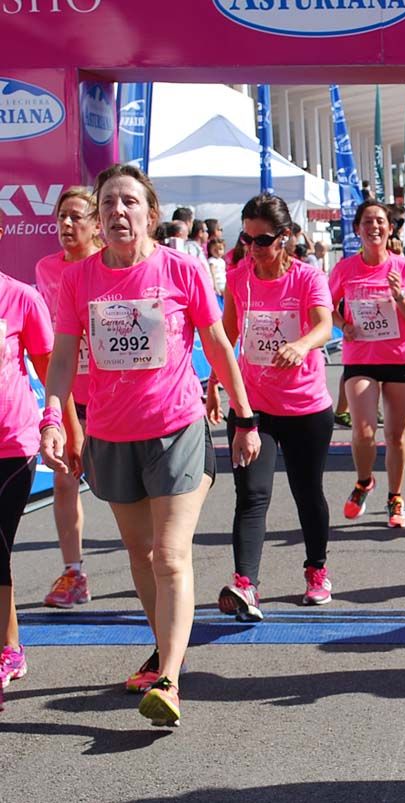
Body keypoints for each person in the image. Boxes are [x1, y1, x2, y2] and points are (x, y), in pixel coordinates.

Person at [39, 164, 261, 727]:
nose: (118, 211)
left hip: (176, 428)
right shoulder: (80, 279)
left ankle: (170, 679)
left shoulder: (180, 269)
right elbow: (63, 358)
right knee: (139, 557)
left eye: (129, 202)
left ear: (150, 214)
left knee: (169, 555)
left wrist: (244, 414)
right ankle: (164, 649)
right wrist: (54, 419)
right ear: (99, 215)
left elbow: (216, 343)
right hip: (111, 435)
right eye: (108, 202)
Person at [206, 194, 334, 621]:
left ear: (285, 237)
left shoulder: (306, 277)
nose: (253, 247)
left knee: (306, 491)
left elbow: (324, 324)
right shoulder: (238, 277)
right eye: (246, 238)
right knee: (251, 495)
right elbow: (224, 335)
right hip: (252, 406)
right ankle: (245, 585)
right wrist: (213, 383)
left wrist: (300, 345)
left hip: (305, 407)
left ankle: (316, 569)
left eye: (263, 239)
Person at [1, 210, 81, 712]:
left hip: (9, 442)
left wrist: (69, 432)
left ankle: (8, 648)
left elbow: (53, 374)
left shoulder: (19, 298)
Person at [329, 200, 405, 528]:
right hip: (361, 359)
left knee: (397, 436)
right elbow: (324, 308)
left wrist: (400, 298)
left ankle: (395, 498)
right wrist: (343, 325)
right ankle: (363, 481)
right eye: (367, 221)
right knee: (363, 430)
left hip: (400, 359)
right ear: (357, 229)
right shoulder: (344, 269)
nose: (374, 227)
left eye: (380, 221)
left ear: (389, 228)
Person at [34, 188, 101, 609]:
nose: (66, 226)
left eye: (76, 217)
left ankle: (155, 563)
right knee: (64, 482)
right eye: (61, 218)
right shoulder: (45, 269)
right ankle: (73, 572)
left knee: (124, 493)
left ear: (96, 224)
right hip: (67, 396)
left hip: (112, 397)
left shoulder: (107, 266)